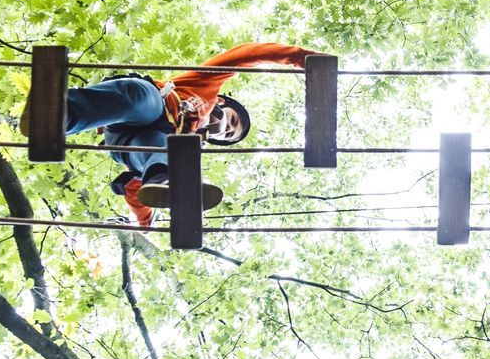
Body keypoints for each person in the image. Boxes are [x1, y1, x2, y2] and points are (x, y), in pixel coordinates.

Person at [63, 43, 317, 227]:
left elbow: (134, 187)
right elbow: (246, 55)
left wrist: (145, 221)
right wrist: (300, 58)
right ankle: (64, 113)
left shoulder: (189, 140)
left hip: (129, 143)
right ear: (224, 101)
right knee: (138, 97)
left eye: (229, 136)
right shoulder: (205, 88)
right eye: (233, 121)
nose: (228, 129)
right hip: (154, 104)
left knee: (165, 151)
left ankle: (165, 181)